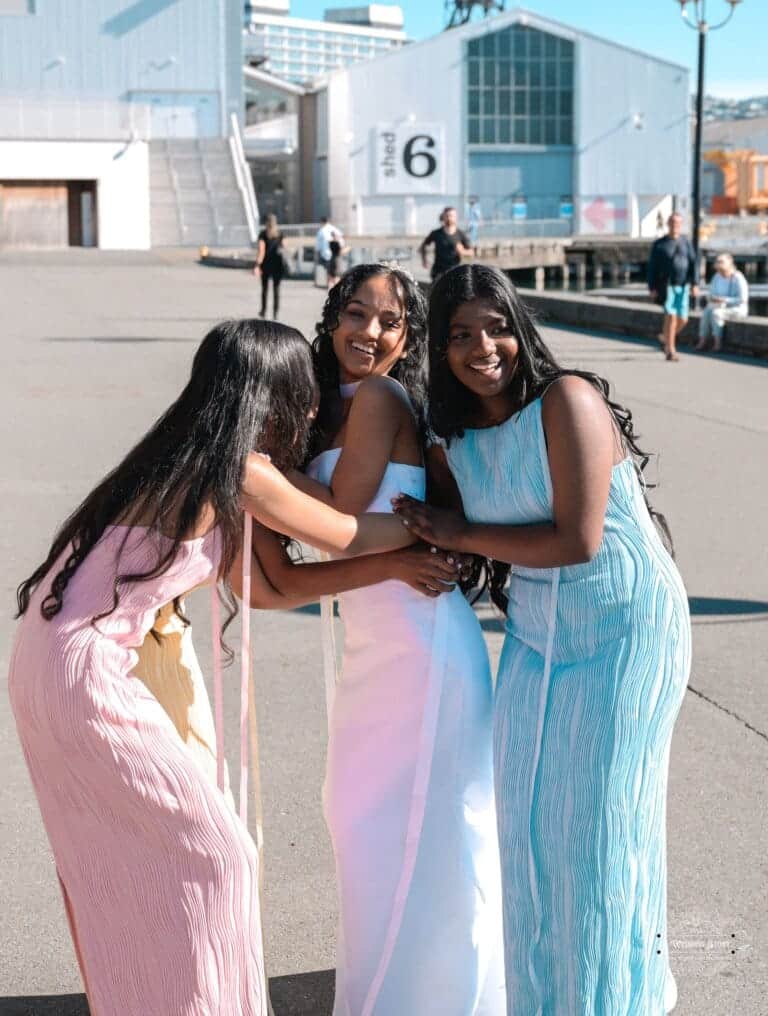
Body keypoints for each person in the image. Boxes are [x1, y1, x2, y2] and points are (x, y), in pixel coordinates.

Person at [8, 319, 416, 1016]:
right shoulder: (242, 471)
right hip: (89, 678)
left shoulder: (185, 456)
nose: (314, 407)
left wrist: (395, 567)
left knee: (120, 863)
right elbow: (344, 531)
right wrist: (445, 523)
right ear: (273, 394)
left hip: (48, 668)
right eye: (304, 391)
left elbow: (272, 589)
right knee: (217, 860)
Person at [395, 264, 691, 1016]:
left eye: (495, 326)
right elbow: (452, 528)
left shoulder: (569, 400)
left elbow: (578, 539)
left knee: (593, 836)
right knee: (526, 824)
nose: (481, 346)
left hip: (626, 628)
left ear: (519, 327)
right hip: (536, 629)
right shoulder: (452, 436)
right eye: (459, 334)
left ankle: (614, 1001)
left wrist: (460, 531)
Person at [259, 263, 505, 1015]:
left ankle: (451, 1000)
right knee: (361, 819)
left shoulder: (380, 396)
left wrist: (247, 465)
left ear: (408, 336)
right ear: (331, 318)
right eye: (357, 315)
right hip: (372, 645)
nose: (369, 333)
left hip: (424, 645)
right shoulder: (316, 404)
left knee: (434, 832)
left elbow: (337, 516)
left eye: (389, 322)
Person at [647, 212, 699, 362]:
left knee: (683, 319)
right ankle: (671, 350)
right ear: (668, 224)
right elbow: (652, 267)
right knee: (671, 317)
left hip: (683, 285)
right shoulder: (659, 244)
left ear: (680, 225)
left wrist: (695, 284)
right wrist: (652, 287)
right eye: (672, 222)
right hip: (666, 286)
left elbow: (693, 264)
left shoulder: (686, 242)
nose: (674, 225)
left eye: (677, 223)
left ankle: (665, 338)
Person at [696, 252, 749, 352]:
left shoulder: (738, 277)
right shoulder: (716, 277)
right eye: (717, 262)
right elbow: (711, 293)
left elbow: (743, 299)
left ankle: (718, 343)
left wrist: (725, 300)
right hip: (719, 305)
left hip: (736, 308)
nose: (718, 264)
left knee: (716, 313)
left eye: (721, 262)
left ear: (729, 263)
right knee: (707, 311)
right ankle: (702, 341)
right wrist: (713, 298)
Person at [420, 207, 473, 281]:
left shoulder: (461, 234)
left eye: (451, 216)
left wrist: (463, 251)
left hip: (455, 272)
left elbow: (471, 252)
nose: (449, 218)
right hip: (438, 272)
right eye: (447, 216)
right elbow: (423, 246)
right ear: (443, 217)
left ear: (456, 218)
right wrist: (424, 260)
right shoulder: (436, 233)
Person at [254, 213, 286, 319]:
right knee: (276, 290)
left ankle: (263, 311)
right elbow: (284, 247)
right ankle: (275, 313)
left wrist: (257, 265)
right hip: (278, 264)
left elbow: (261, 251)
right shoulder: (280, 234)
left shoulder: (263, 234)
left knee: (265, 289)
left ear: (266, 223)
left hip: (266, 265)